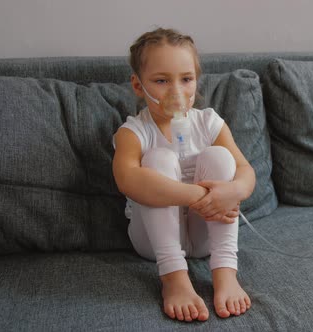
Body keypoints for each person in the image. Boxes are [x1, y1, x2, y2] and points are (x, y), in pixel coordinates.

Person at [112, 28, 254, 322]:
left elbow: (245, 171)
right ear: (139, 86)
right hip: (153, 242)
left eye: (186, 79)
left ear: (196, 81)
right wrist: (199, 195)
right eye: (162, 80)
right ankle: (174, 278)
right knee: (157, 159)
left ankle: (225, 272)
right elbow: (127, 179)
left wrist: (234, 190)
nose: (176, 92)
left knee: (219, 156)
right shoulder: (135, 133)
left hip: (205, 239)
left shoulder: (209, 123)